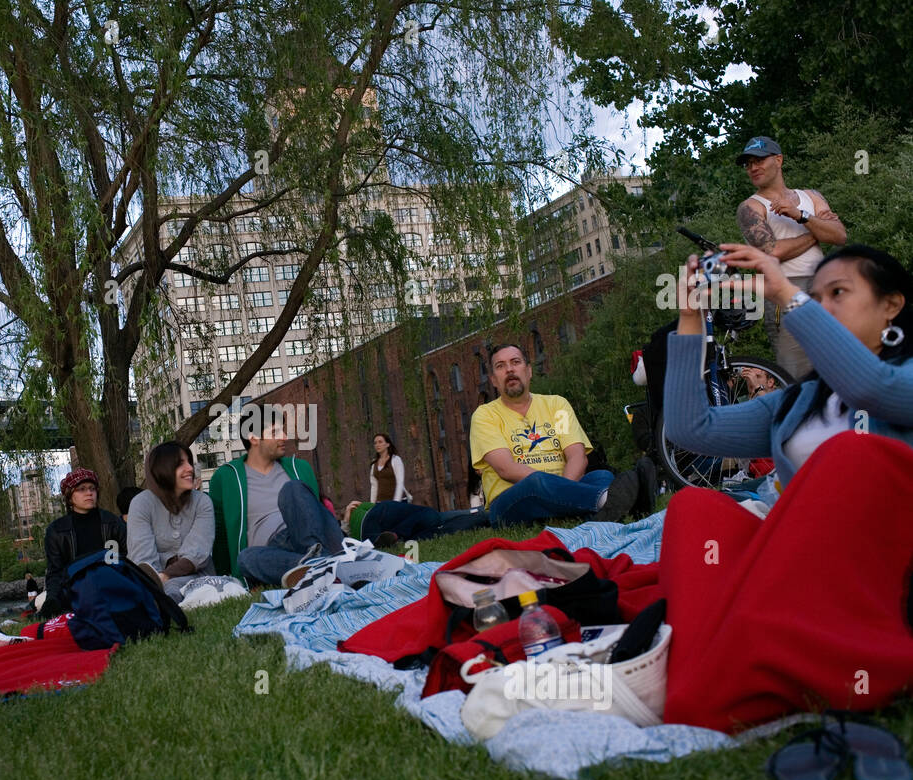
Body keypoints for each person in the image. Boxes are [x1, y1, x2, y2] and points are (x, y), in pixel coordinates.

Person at [659, 242, 913, 731]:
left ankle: (832, 664)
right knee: (695, 509)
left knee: (848, 456)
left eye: (838, 292)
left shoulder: (901, 378)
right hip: (803, 560)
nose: (823, 306)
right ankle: (700, 681)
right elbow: (692, 430)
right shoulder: (800, 402)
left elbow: (871, 388)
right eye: (816, 298)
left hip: (883, 568)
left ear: (892, 305)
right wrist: (691, 317)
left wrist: (783, 294)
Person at [469, 344, 653, 526]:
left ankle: (594, 515)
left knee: (601, 476)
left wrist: (560, 494)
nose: (509, 369)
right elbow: (506, 469)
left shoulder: (557, 406)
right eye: (500, 366)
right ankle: (611, 501)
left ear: (529, 371)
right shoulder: (485, 415)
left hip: (563, 487)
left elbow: (577, 457)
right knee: (536, 482)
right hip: (511, 501)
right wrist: (558, 490)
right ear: (493, 380)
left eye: (515, 362)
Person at [735, 136, 847, 380]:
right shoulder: (751, 207)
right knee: (794, 372)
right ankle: (798, 417)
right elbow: (772, 252)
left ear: (779, 160)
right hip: (784, 289)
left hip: (825, 287)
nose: (753, 168)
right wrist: (816, 233)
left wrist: (801, 216)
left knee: (836, 362)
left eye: (759, 161)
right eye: (748, 164)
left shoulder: (810, 196)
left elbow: (839, 235)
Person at [210, 405, 344, 587]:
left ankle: (317, 559)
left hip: (313, 535)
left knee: (293, 489)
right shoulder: (227, 477)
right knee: (245, 558)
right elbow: (219, 532)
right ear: (254, 438)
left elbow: (317, 514)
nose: (284, 437)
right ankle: (324, 566)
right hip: (274, 551)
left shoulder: (300, 468)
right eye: (275, 432)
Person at [127, 442, 216, 603]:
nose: (190, 468)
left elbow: (198, 552)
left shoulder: (202, 502)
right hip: (153, 580)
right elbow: (143, 558)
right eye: (180, 464)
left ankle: (164, 604)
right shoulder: (141, 503)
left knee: (171, 588)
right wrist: (156, 578)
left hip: (198, 575)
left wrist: (165, 576)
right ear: (162, 469)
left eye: (189, 462)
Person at [39, 468, 126, 616]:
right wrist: (52, 599)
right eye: (81, 489)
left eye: (92, 488)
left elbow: (125, 558)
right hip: (74, 589)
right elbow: (55, 572)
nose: (89, 493)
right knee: (45, 602)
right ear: (69, 496)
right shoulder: (56, 530)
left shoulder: (112, 523)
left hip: (111, 585)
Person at [342, 498, 489, 547]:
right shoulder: (360, 509)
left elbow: (346, 540)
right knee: (435, 518)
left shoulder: (347, 529)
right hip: (384, 509)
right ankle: (479, 511)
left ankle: (393, 537)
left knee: (431, 519)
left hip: (368, 528)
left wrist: (346, 517)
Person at [369, 433, 411, 502]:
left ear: (387, 444)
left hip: (398, 502)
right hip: (381, 503)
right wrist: (372, 505)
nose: (377, 445)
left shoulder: (395, 460)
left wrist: (396, 502)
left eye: (380, 442)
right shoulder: (374, 464)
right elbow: (374, 486)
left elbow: (400, 482)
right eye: (375, 443)